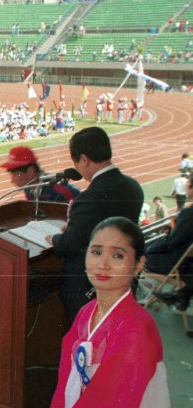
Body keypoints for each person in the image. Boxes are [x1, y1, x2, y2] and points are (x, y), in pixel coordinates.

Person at [6, 217, 172, 408]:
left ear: (139, 264)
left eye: (118, 255)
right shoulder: (86, 314)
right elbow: (67, 385)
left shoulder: (136, 329)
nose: (103, 263)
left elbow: (110, 407)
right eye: (96, 252)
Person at [47, 127, 144, 324]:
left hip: (88, 289)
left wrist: (56, 239)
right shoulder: (133, 187)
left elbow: (69, 244)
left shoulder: (89, 198)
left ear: (84, 159)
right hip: (123, 281)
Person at [148, 175, 193, 311]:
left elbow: (172, 242)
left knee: (140, 259)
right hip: (189, 264)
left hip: (178, 264)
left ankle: (180, 296)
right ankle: (181, 295)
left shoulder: (188, 214)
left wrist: (150, 249)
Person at [0, 146, 79, 203]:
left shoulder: (62, 192)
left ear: (31, 172)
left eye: (16, 174)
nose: (12, 180)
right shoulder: (29, 188)